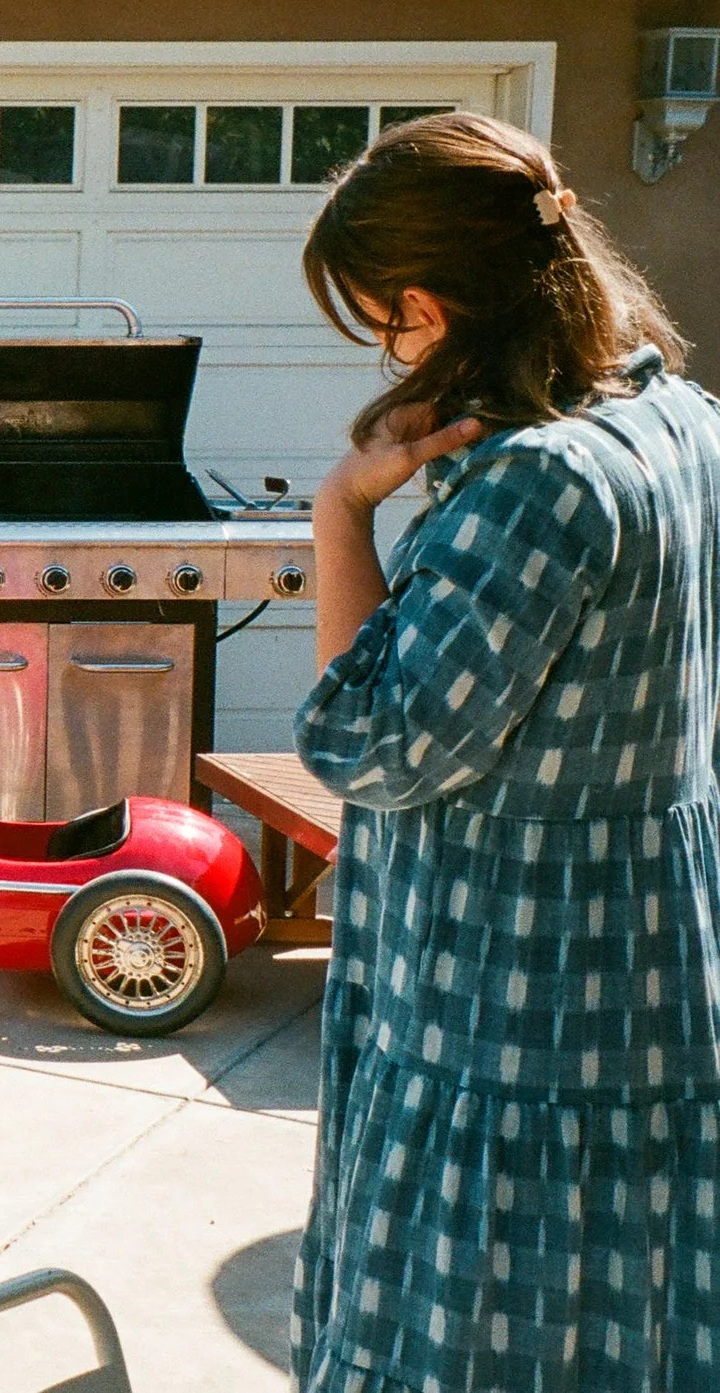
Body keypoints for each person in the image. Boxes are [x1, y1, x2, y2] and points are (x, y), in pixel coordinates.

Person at [288, 111, 719, 1392]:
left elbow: (367, 740)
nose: (389, 350)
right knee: (623, 1316)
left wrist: (340, 513)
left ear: (425, 303)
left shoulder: (542, 479)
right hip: (648, 974)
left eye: (385, 322)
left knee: (485, 1337)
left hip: (515, 995)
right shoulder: (684, 420)